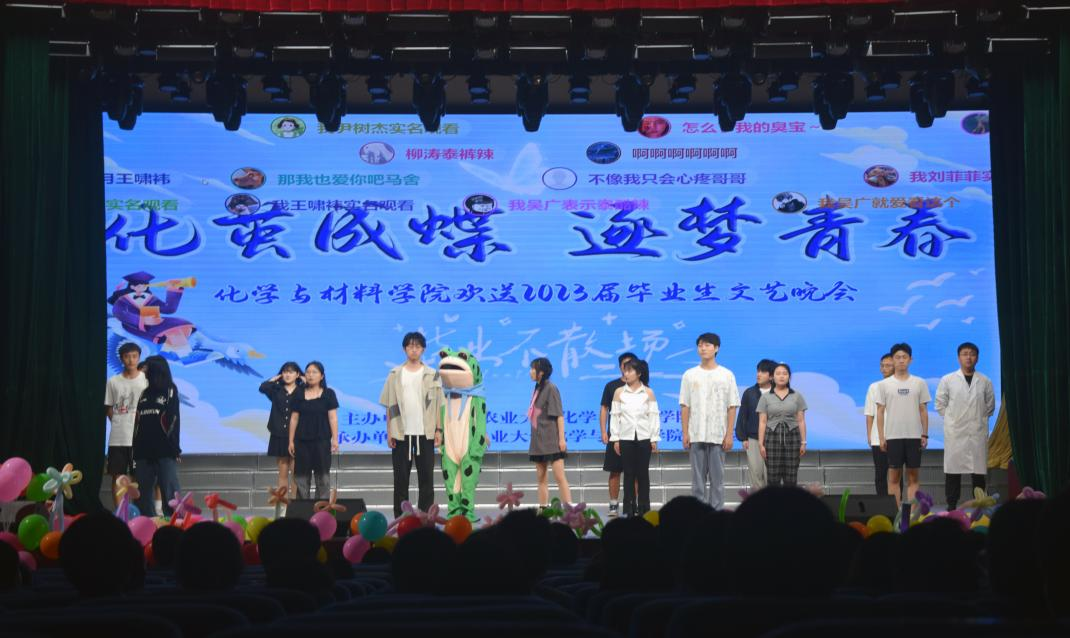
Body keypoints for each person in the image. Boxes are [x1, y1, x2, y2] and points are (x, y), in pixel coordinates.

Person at [379, 332, 442, 518]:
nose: (414, 349)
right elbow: (390, 405)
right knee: (400, 479)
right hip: (401, 433)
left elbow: (439, 405)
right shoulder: (395, 374)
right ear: (404, 349)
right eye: (410, 346)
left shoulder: (432, 374)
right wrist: (389, 432)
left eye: (417, 346)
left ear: (423, 349)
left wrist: (439, 430)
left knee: (426, 479)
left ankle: (425, 517)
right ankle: (401, 517)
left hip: (426, 433)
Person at [679, 333, 739, 509]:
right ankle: (698, 514)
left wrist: (729, 434)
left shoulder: (726, 374)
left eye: (707, 345)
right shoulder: (689, 375)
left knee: (717, 481)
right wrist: (685, 433)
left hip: (718, 435)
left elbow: (732, 406)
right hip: (696, 434)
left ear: (716, 348)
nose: (703, 348)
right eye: (700, 345)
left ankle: (717, 514)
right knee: (697, 481)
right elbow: (685, 405)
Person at [935, 342, 995, 509]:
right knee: (953, 472)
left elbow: (990, 406)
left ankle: (980, 506)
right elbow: (940, 404)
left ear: (977, 358)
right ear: (958, 357)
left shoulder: (985, 381)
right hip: (956, 433)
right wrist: (952, 420)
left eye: (972, 354)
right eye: (964, 354)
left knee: (978, 473)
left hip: (977, 432)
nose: (968, 357)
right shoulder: (948, 379)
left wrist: (977, 419)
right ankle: (951, 506)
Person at [876, 343, 931, 506]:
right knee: (893, 478)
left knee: (913, 477)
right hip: (893, 436)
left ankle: (912, 514)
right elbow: (880, 412)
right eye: (897, 357)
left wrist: (924, 434)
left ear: (910, 360)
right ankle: (896, 513)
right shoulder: (884, 385)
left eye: (904, 357)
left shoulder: (919, 382)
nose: (901, 360)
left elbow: (923, 410)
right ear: (893, 360)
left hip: (914, 436)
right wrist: (881, 438)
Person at [132, 355, 181, 517]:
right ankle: (145, 523)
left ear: (156, 370)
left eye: (147, 368)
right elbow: (138, 422)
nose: (144, 372)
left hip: (164, 450)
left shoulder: (170, 390)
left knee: (170, 493)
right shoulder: (144, 393)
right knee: (142, 495)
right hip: (143, 451)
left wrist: (175, 448)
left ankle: (176, 524)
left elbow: (173, 420)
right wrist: (135, 449)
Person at [610, 359, 660, 516]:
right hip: (625, 438)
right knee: (629, 474)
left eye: (630, 370)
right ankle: (629, 508)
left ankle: (644, 507)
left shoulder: (648, 392)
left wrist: (654, 438)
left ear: (639, 373)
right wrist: (615, 438)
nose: (626, 373)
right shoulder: (619, 392)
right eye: (625, 370)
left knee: (643, 473)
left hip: (644, 438)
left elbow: (653, 416)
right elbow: (615, 416)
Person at [105, 341, 148, 505]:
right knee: (118, 475)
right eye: (127, 357)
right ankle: (119, 512)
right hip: (118, 437)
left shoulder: (145, 380)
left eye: (134, 356)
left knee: (139, 475)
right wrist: (118, 422)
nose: (131, 360)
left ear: (139, 358)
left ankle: (137, 511)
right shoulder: (113, 381)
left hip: (140, 437)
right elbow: (108, 407)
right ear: (121, 359)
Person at [288, 361, 339, 500]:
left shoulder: (329, 394)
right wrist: (291, 441)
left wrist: (335, 439)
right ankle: (302, 510)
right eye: (308, 372)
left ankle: (322, 509)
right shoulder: (298, 393)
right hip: (302, 442)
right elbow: (294, 418)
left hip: (322, 442)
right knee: (301, 478)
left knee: (323, 477)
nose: (310, 375)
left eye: (314, 372)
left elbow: (333, 418)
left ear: (322, 376)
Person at [527, 357, 571, 507]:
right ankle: (543, 508)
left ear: (541, 372)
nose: (531, 372)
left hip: (552, 440)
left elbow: (559, 415)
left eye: (533, 369)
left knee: (559, 477)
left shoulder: (551, 388)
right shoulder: (537, 388)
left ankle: (569, 509)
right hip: (538, 440)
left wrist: (562, 439)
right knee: (541, 478)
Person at [757, 363, 808, 487]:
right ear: (772, 377)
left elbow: (801, 420)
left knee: (791, 477)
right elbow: (762, 422)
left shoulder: (797, 396)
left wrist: (803, 442)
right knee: (773, 478)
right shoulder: (765, 397)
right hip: (771, 438)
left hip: (793, 438)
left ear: (789, 377)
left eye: (785, 373)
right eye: (778, 373)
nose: (781, 376)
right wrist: (761, 444)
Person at [600, 351, 638, 518]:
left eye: (631, 365)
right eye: (624, 365)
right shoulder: (611, 386)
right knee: (615, 471)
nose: (627, 368)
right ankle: (613, 504)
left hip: (635, 436)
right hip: (616, 435)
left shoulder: (641, 386)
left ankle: (632, 504)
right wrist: (604, 431)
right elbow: (604, 409)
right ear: (620, 367)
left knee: (635, 473)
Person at [260, 361, 302, 495]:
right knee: (282, 472)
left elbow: (314, 390)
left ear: (297, 374)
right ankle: (283, 504)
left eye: (291, 372)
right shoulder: (276, 389)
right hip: (279, 434)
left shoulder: (302, 390)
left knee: (296, 473)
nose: (287, 375)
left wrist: (304, 379)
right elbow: (263, 387)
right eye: (285, 372)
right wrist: (275, 378)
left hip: (297, 435)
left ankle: (295, 503)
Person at [735, 358, 777, 490]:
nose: (758, 374)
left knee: (773, 476)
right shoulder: (749, 393)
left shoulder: (779, 393)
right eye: (758, 371)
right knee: (756, 474)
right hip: (753, 439)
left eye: (763, 372)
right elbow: (743, 415)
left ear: (771, 376)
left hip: (774, 439)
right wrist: (743, 437)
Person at [863, 353, 896, 496]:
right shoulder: (874, 387)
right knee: (880, 473)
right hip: (878, 438)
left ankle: (896, 504)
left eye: (888, 365)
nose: (884, 368)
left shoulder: (901, 386)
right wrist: (870, 435)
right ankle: (882, 504)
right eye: (882, 365)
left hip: (897, 436)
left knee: (896, 474)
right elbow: (869, 414)